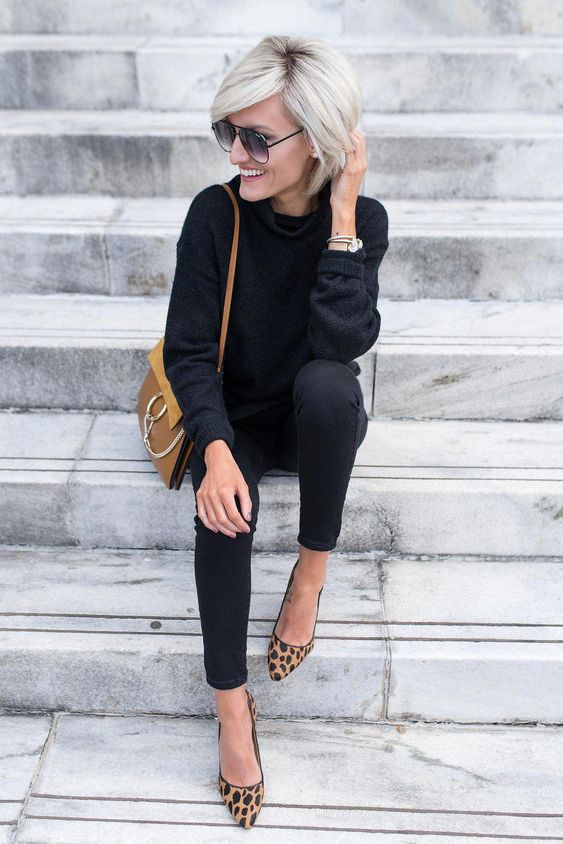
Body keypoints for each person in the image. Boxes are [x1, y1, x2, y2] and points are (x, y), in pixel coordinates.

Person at [163, 34, 389, 829]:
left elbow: (341, 343)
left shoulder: (362, 219)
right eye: (229, 131)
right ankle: (231, 708)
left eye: (258, 138)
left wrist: (339, 220)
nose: (238, 151)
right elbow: (188, 352)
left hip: (307, 417)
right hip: (233, 416)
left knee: (332, 390)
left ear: (319, 140)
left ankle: (310, 574)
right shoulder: (213, 214)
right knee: (221, 509)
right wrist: (215, 449)